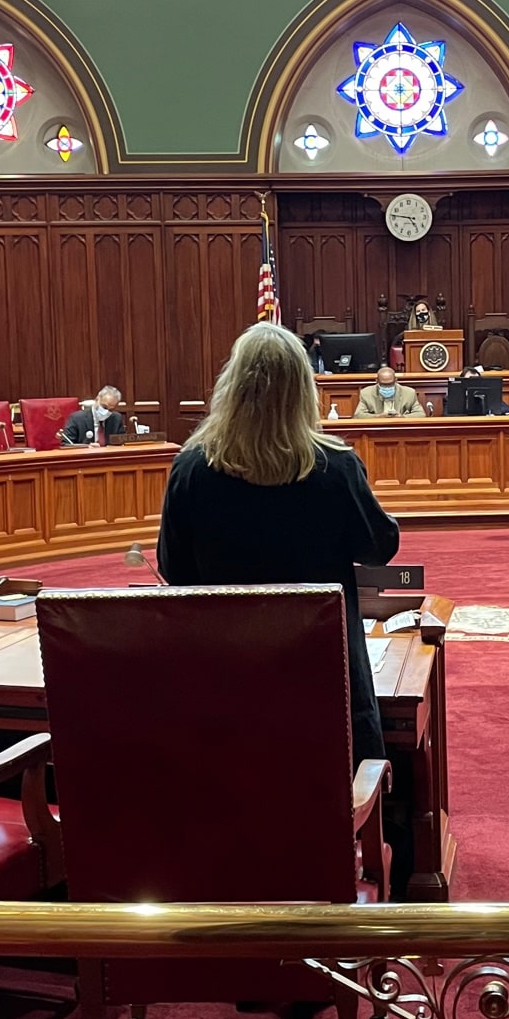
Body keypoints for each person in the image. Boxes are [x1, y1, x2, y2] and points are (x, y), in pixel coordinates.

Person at [157, 322, 400, 764]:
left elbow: (175, 572)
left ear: (231, 386)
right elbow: (378, 549)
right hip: (324, 682)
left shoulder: (191, 468)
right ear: (304, 391)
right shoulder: (335, 466)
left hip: (224, 679)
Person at [60, 387, 127, 446]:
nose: (106, 412)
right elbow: (66, 444)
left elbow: (122, 443)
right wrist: (86, 448)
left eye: (111, 410)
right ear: (97, 399)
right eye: (104, 407)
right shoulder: (76, 419)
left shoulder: (116, 419)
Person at [353, 366, 423, 418]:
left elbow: (420, 414)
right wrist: (378, 417)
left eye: (390, 384)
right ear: (377, 381)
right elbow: (358, 415)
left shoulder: (409, 393)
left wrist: (402, 417)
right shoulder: (366, 393)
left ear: (396, 380)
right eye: (383, 385)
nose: (387, 388)